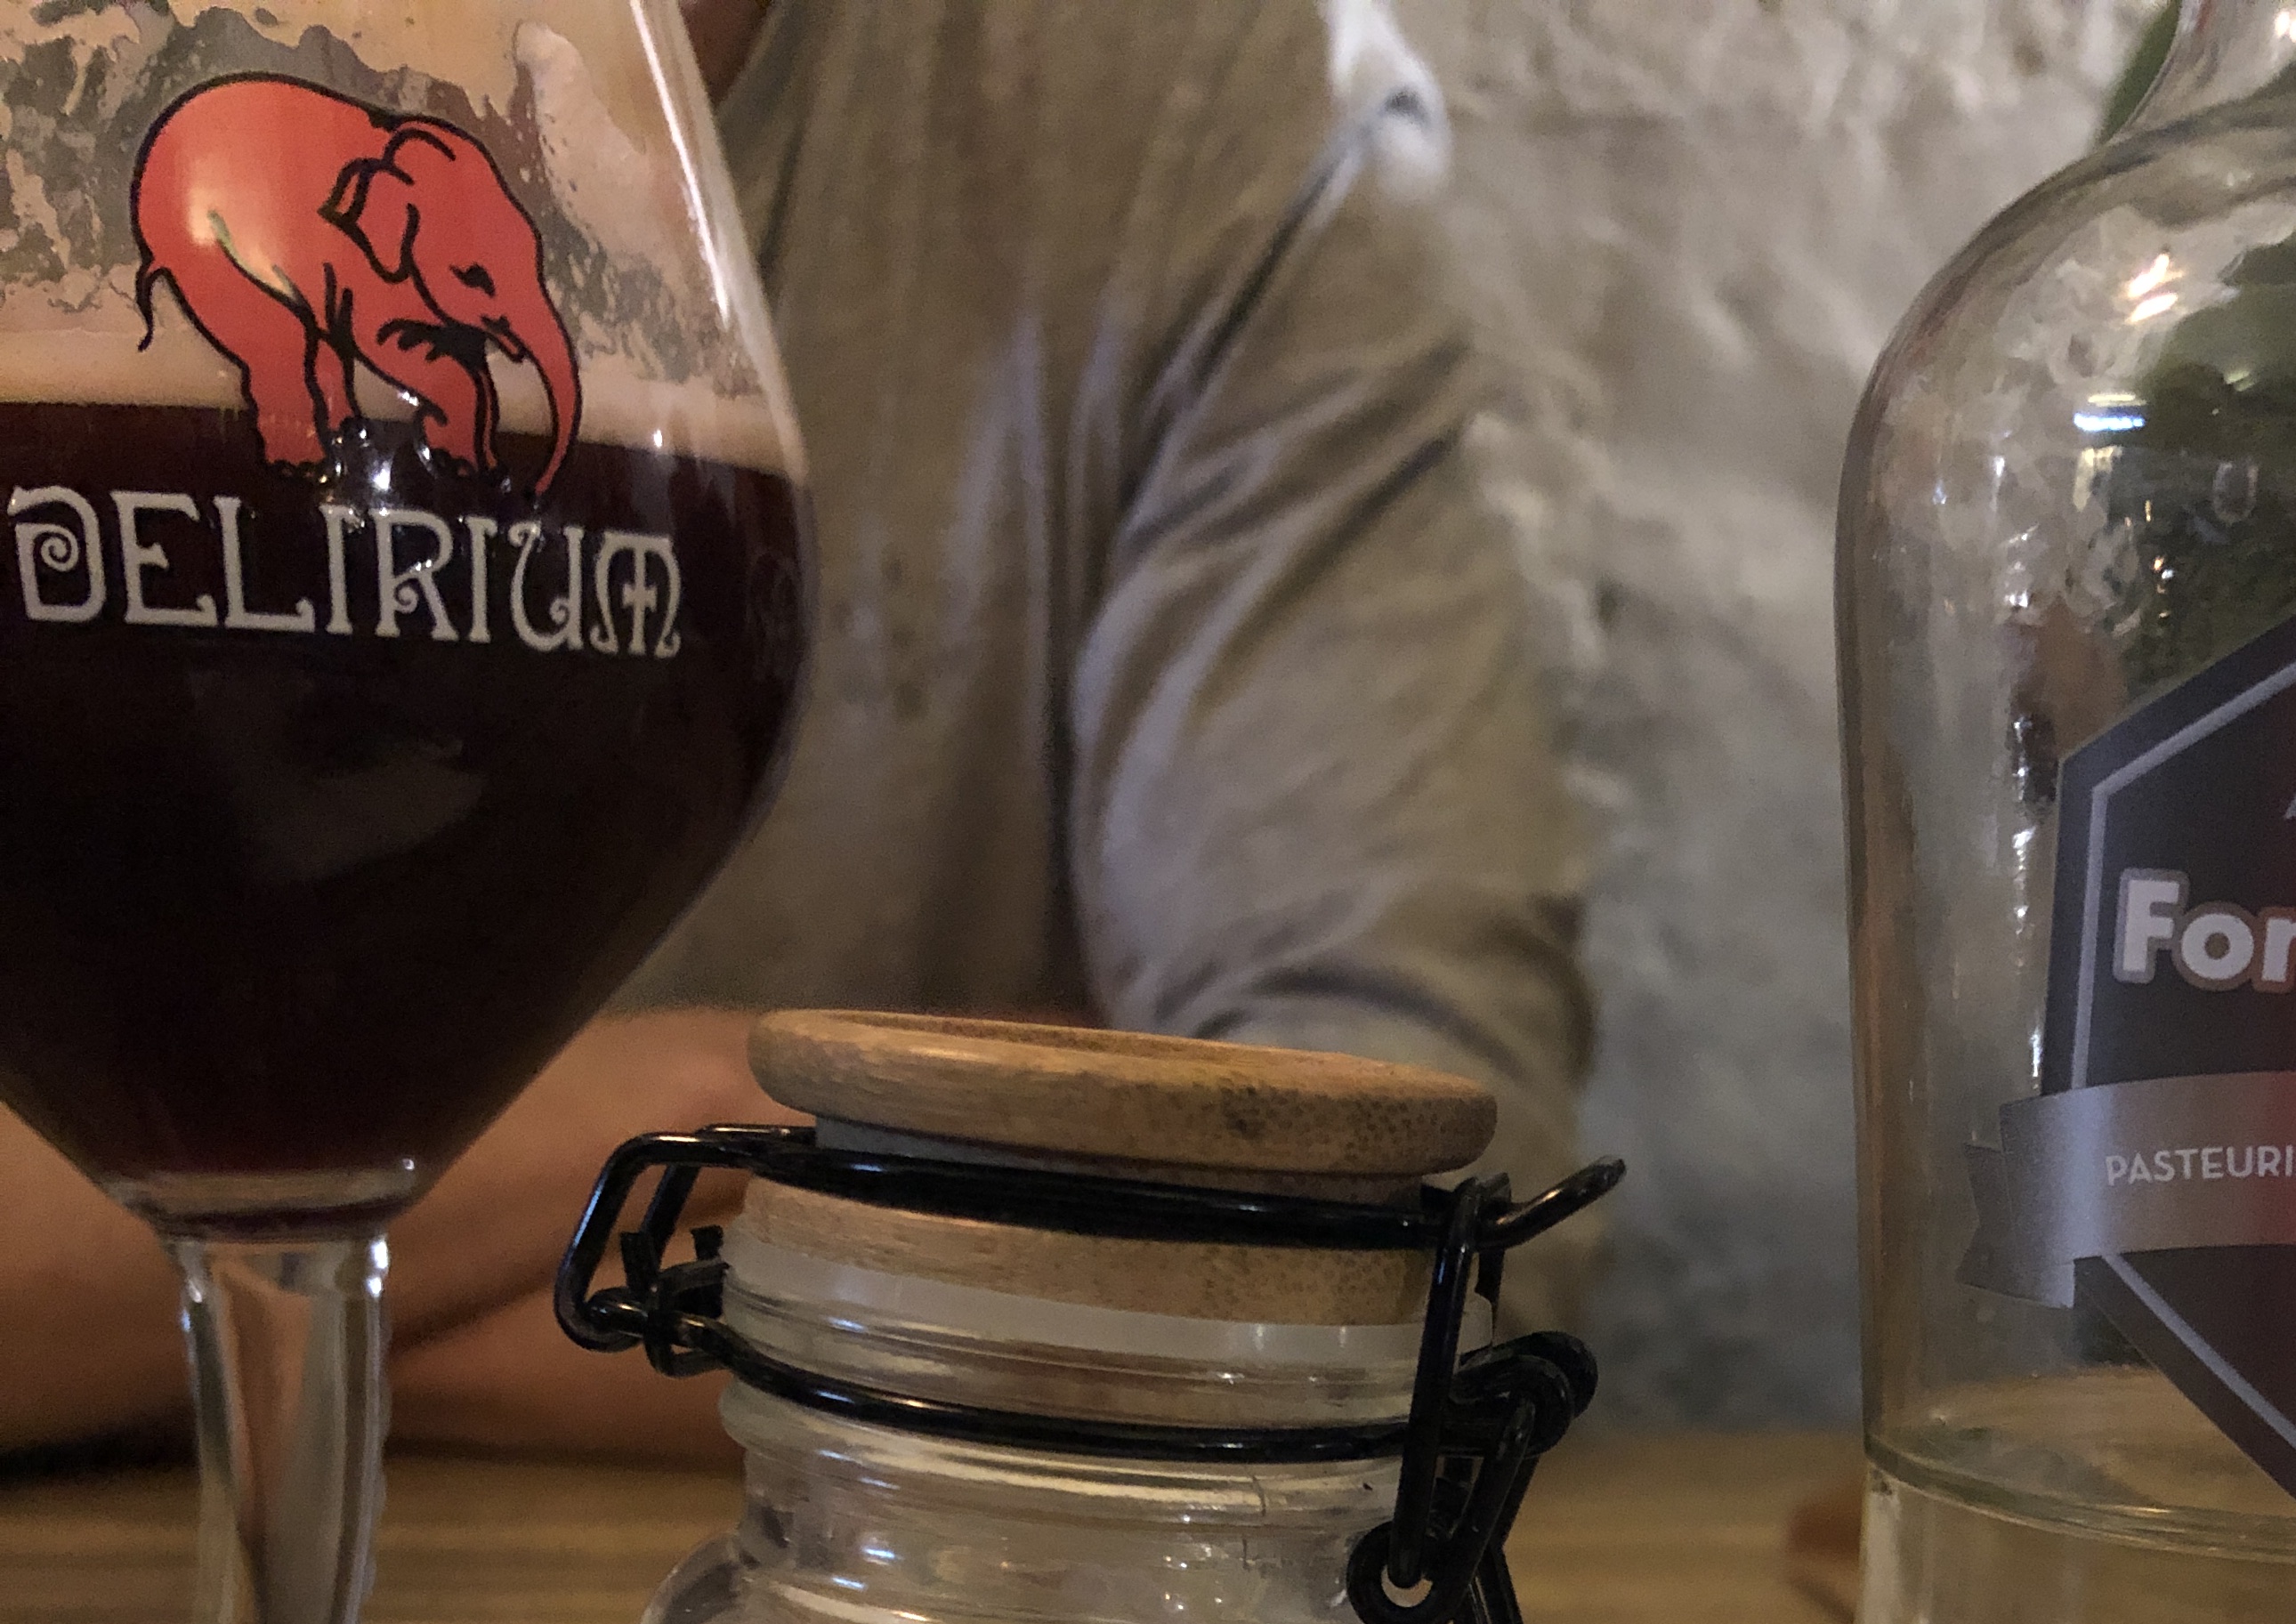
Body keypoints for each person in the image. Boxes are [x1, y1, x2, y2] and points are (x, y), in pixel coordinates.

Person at [0, 0, 1591, 1463]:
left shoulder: (1196, 91)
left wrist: (146, 1352)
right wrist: (720, 1118)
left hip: (869, 1609)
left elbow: (1417, 1230)